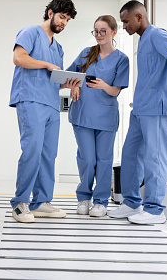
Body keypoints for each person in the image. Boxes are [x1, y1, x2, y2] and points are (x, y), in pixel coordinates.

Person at [107, 0, 167, 224]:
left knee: (154, 158)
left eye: (126, 21)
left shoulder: (156, 34)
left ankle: (155, 210)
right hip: (141, 108)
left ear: (139, 17)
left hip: (156, 107)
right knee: (130, 154)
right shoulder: (143, 40)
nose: (124, 26)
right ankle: (132, 203)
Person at [9, 0, 77, 223]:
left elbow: (54, 79)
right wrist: (47, 64)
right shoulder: (30, 33)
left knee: (49, 154)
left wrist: (69, 82)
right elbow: (19, 58)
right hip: (30, 99)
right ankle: (20, 203)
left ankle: (41, 202)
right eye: (62, 17)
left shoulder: (58, 48)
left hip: (50, 103)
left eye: (67, 20)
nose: (64, 23)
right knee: (32, 150)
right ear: (50, 13)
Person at [66, 15, 129, 217]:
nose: (99, 35)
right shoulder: (87, 53)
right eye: (96, 31)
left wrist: (104, 85)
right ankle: (84, 197)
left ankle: (100, 201)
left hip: (106, 117)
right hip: (82, 114)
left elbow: (115, 91)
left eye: (103, 31)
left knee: (103, 159)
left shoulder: (121, 59)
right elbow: (69, 77)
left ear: (113, 32)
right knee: (87, 158)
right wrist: (73, 86)